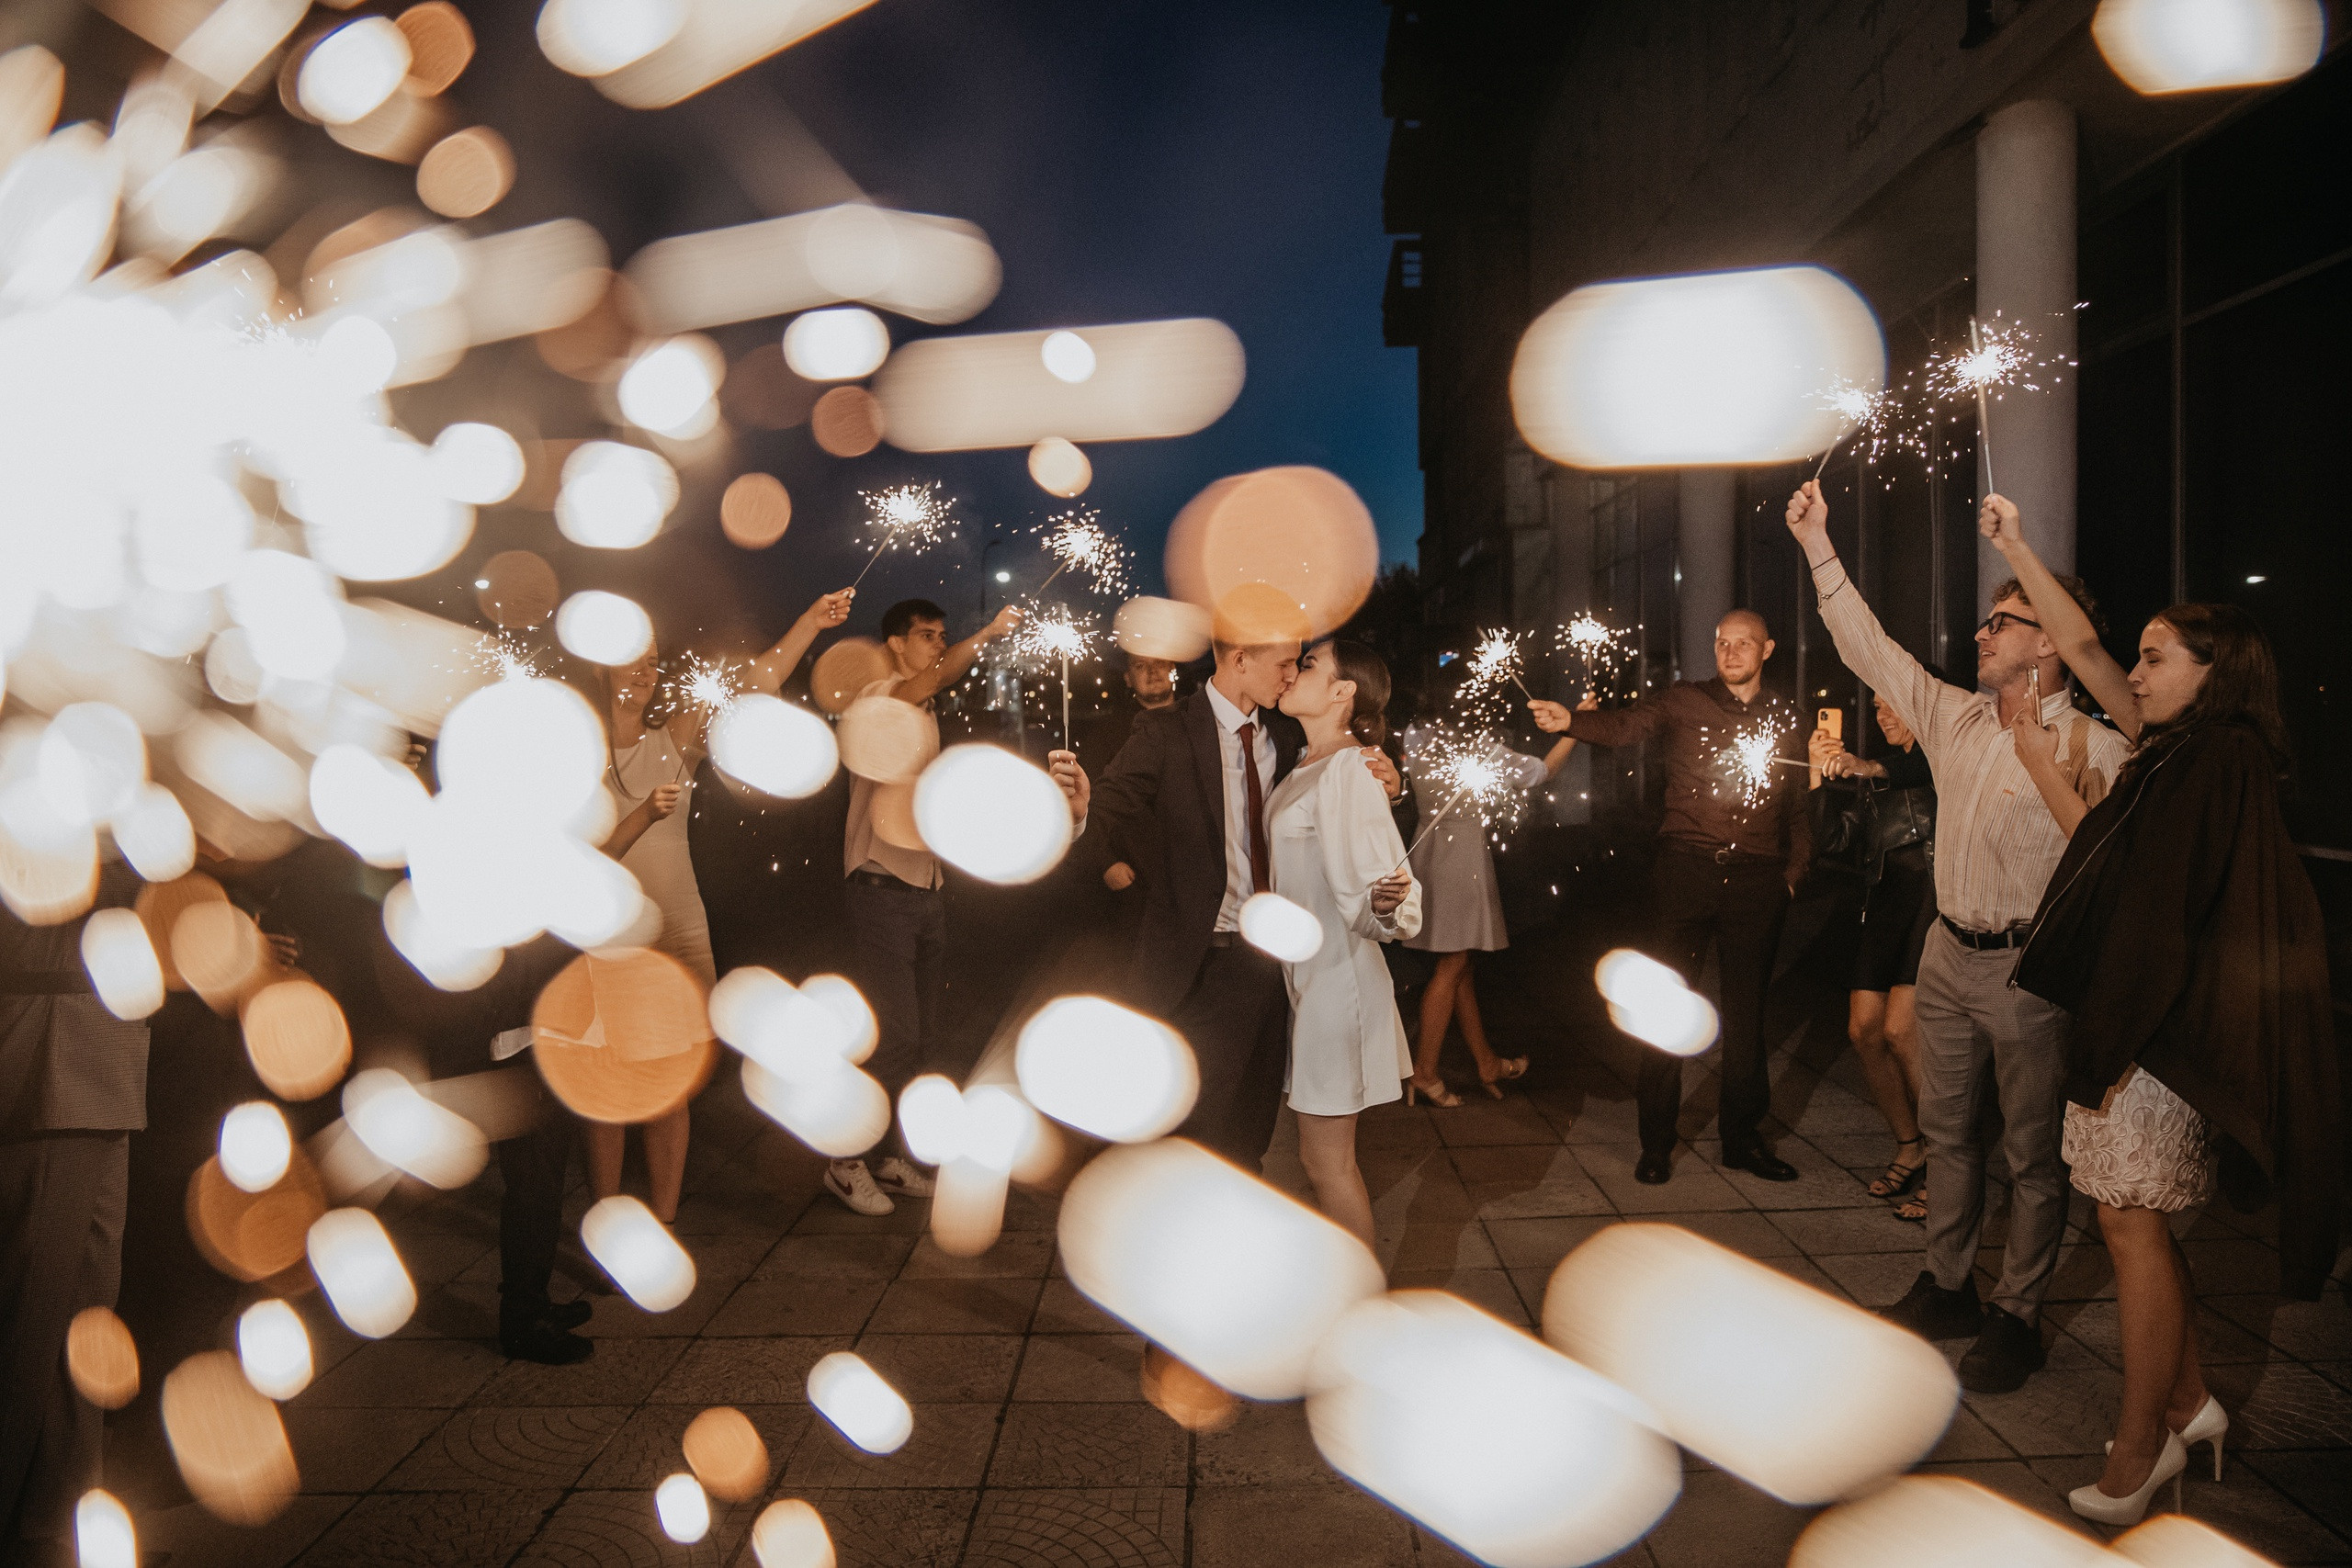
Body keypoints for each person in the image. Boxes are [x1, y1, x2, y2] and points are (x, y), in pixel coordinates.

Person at [1981, 495, 2341, 1523]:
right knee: (2123, 1219)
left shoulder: (2215, 760)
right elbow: (2104, 841)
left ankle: (2141, 1448)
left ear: (2211, 672)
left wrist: (2114, 1041)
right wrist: (2013, 544)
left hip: (2155, 1040)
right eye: (2137, 658)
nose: (2129, 673)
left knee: (2129, 1224)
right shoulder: (2179, 750)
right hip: (2139, 1029)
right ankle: (2189, 1407)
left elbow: (2156, 910)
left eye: (2154, 657)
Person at [1784, 479, 2131, 1393]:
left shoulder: (2098, 749)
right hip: (1945, 954)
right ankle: (1947, 1287)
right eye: (1984, 622)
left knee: (2029, 1153)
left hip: (2028, 967)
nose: (1982, 634)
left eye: (2003, 623)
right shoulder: (1956, 715)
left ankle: (2016, 1314)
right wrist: (1818, 543)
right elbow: (1869, 648)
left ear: (2049, 642)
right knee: (1946, 1136)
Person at [585, 588, 854, 1224]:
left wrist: (809, 621)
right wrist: (635, 821)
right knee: (610, 1079)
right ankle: (606, 1214)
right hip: (612, 933)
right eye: (634, 659)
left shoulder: (673, 737)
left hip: (680, 925)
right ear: (602, 667)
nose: (649, 670)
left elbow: (753, 681)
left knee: (672, 1080)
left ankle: (666, 1214)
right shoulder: (579, 750)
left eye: (654, 659)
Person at [1528, 611, 1813, 1187]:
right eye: (1722, 642)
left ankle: (1741, 1139)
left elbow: (1798, 802)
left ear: (1768, 649)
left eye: (1743, 644)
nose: (1730, 652)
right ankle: (1655, 1143)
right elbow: (1627, 726)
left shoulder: (1785, 715)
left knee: (1746, 1017)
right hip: (1685, 872)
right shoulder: (1685, 700)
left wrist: (1793, 875)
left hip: (1757, 880)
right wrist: (1573, 721)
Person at [829, 597, 1025, 1215]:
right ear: (894, 644)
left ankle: (886, 1155)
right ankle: (844, 1159)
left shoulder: (925, 706)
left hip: (924, 892)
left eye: (943, 634)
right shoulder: (881, 697)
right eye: (925, 636)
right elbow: (936, 676)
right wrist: (989, 630)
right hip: (881, 891)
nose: (937, 645)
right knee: (897, 1033)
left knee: (921, 1038)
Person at [0, 866, 147, 1562]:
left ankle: (55, 1525)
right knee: (29, 1320)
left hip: (98, 1043)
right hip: (53, 1045)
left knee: (84, 1315)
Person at [1263, 638, 1420, 1245]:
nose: (1295, 670)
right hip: (1309, 980)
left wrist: (1387, 906)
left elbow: (1383, 894)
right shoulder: (1309, 760)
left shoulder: (1351, 768)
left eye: (1309, 664)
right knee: (1319, 1162)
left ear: (1342, 691)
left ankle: (1358, 1305)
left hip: (1337, 986)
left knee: (1328, 1164)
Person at [1400, 700, 1587, 1106]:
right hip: (1462, 858)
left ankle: (1486, 1062)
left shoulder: (1417, 737)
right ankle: (1424, 1071)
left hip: (1428, 850)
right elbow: (1543, 772)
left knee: (1460, 961)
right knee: (1452, 965)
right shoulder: (1483, 749)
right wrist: (1575, 727)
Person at [1809, 685, 1941, 1224]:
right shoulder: (1873, 773)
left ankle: (1946, 1165)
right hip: (1884, 904)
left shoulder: (1936, 758)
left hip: (1930, 902)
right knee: (1863, 1029)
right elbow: (1832, 842)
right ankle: (1910, 1144)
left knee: (1901, 1030)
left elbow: (1914, 771)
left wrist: (1867, 767)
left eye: (1894, 705)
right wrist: (1819, 775)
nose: (1883, 715)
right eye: (1878, 706)